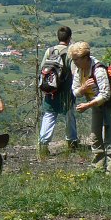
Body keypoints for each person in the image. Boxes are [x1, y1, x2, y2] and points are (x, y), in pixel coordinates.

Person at [69, 41, 111, 174]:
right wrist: (83, 88)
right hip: (95, 105)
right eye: (73, 59)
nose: (74, 62)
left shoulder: (98, 70)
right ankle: (97, 167)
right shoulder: (79, 70)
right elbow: (74, 91)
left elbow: (106, 94)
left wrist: (87, 105)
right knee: (95, 135)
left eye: (76, 59)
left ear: (85, 57)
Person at [38, 26, 79, 155]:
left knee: (49, 116)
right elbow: (74, 72)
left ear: (58, 37)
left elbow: (43, 69)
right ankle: (72, 142)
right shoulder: (69, 52)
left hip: (51, 91)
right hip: (66, 92)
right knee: (69, 117)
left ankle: (43, 146)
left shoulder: (49, 51)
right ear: (69, 37)